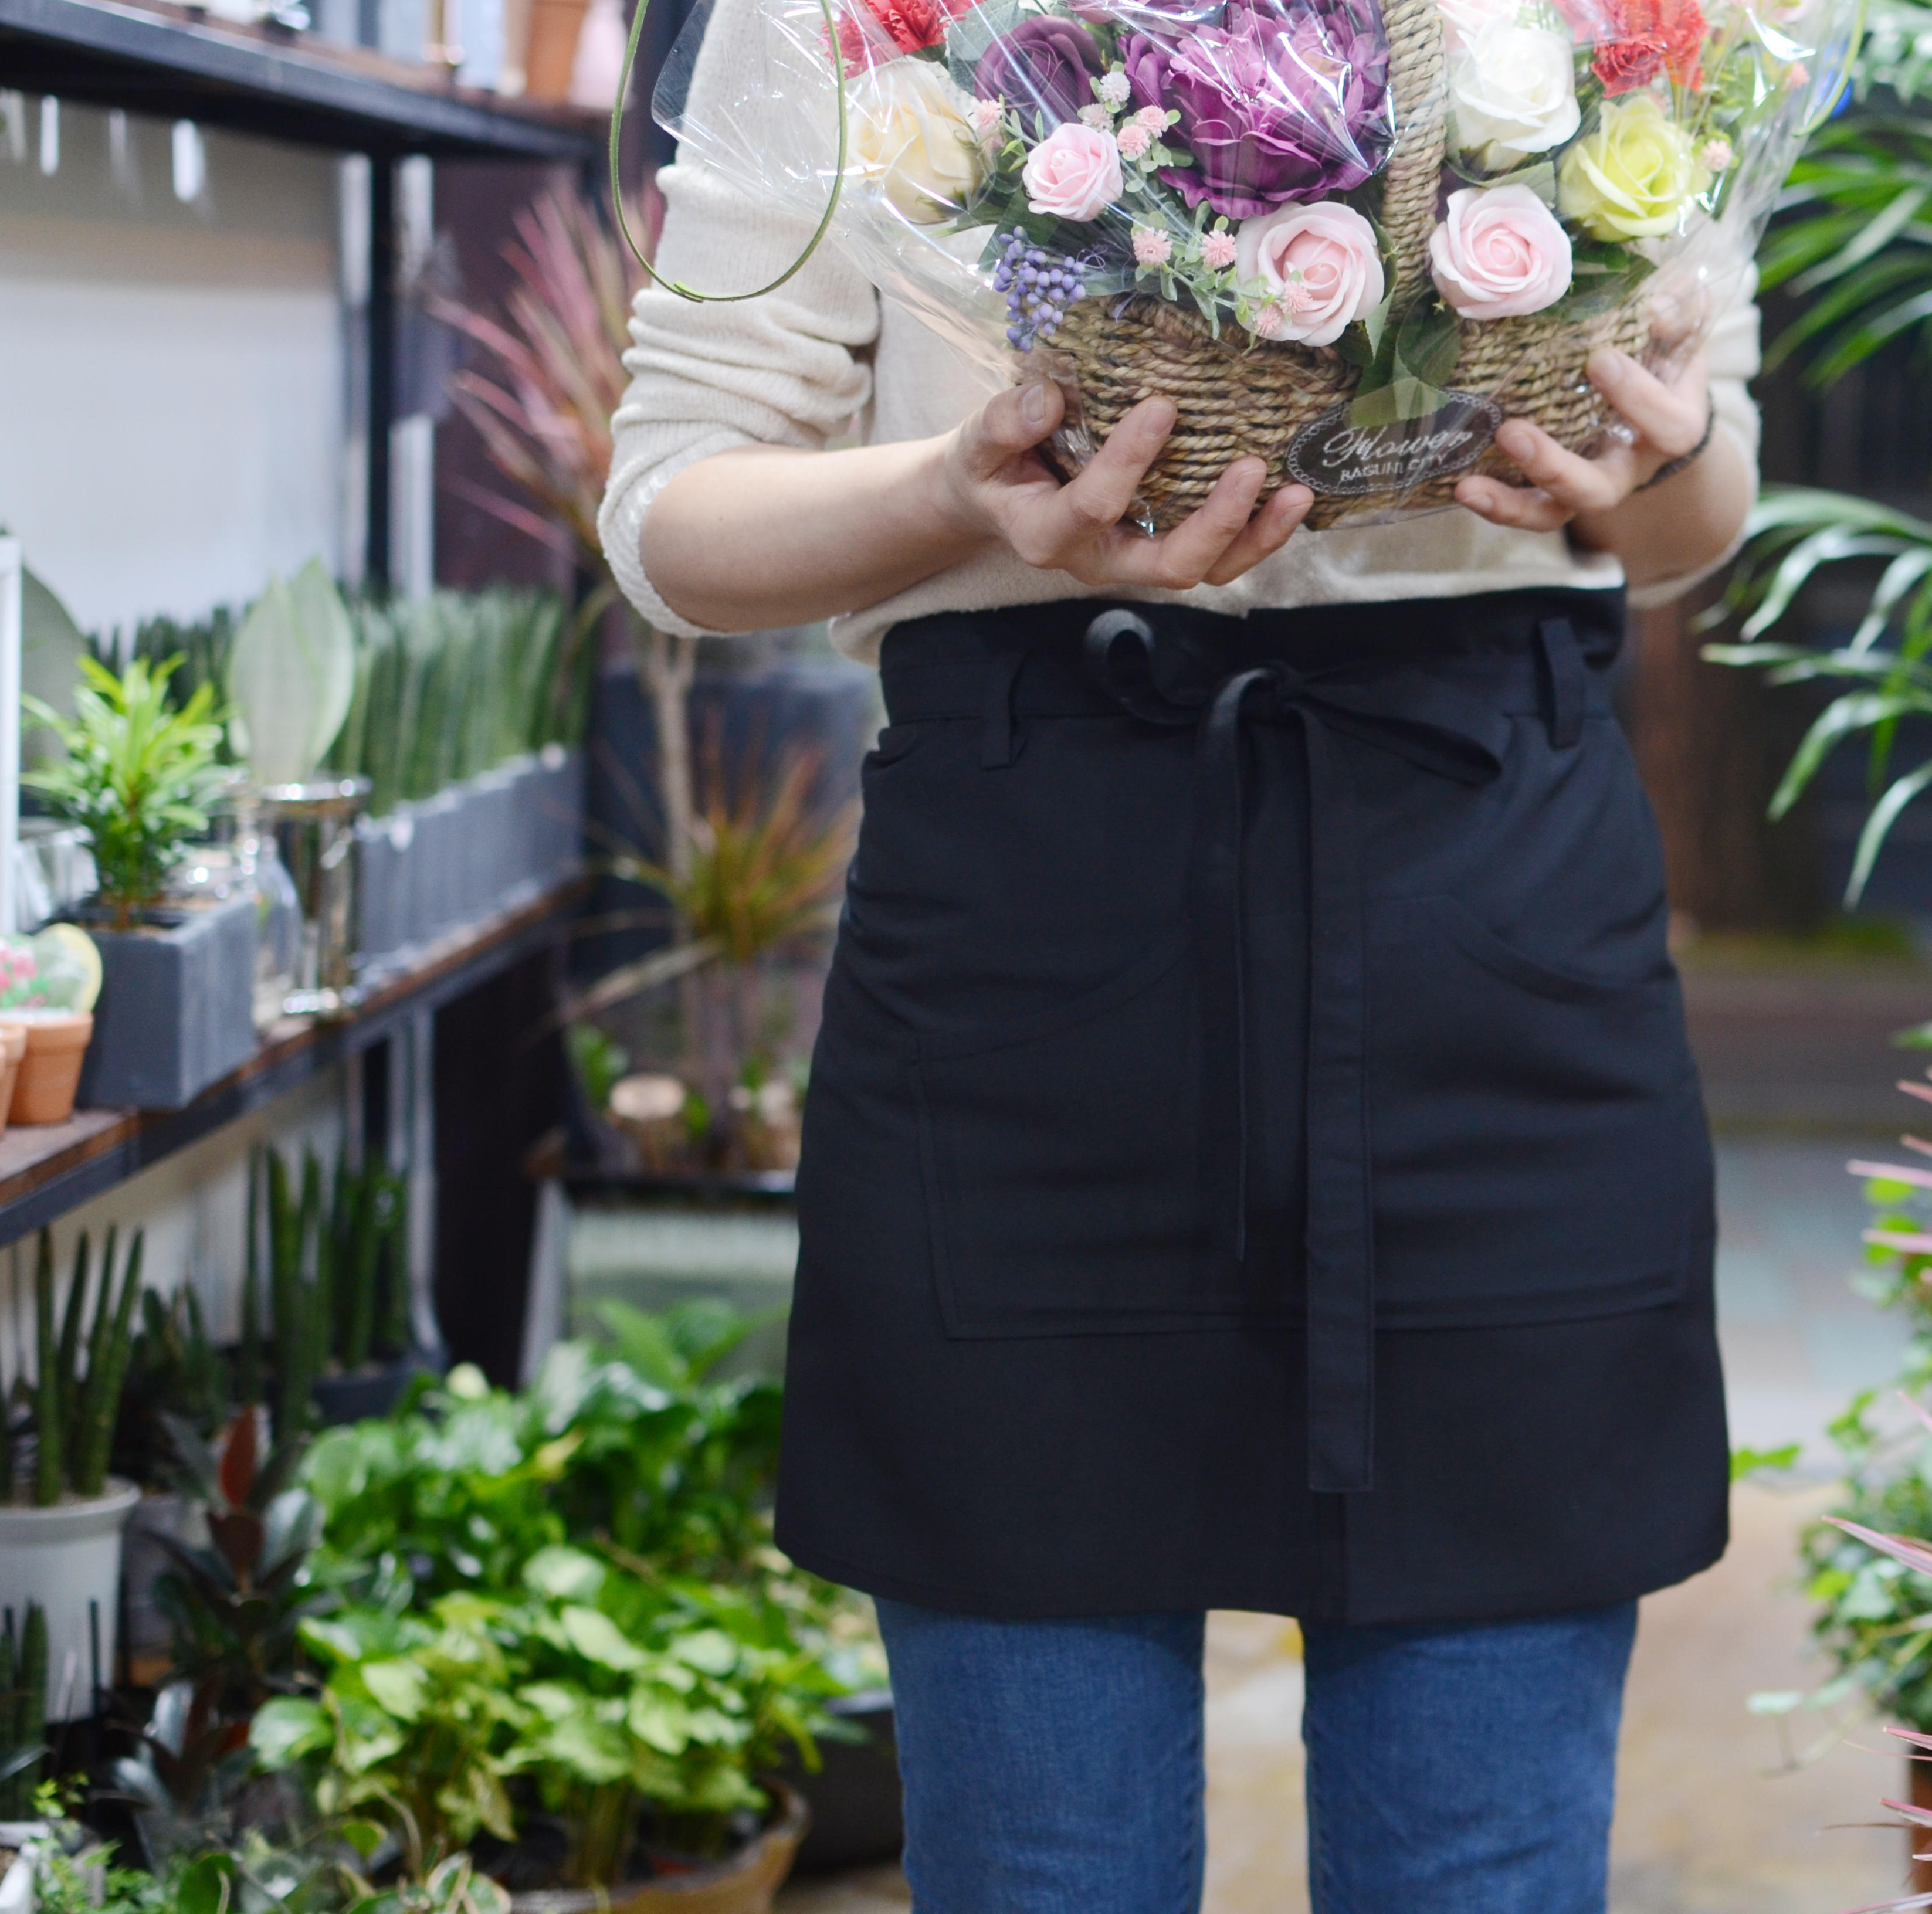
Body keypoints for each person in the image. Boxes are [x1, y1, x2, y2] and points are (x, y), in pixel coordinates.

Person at [605, 5, 1751, 1902]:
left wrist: (1664, 452)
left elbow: (1707, 501)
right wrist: (954, 497)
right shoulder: (862, 23)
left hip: (1492, 945)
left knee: (1484, 1864)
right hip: (1035, 958)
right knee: (1044, 1865)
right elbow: (668, 512)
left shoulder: (1611, 29)